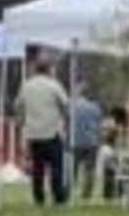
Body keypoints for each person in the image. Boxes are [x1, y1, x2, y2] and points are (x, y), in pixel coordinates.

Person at [17, 47, 71, 207]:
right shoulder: (54, 85)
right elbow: (65, 105)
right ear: (49, 70)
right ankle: (58, 196)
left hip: (33, 133)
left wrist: (24, 121)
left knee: (38, 169)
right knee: (56, 168)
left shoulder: (26, 86)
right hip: (52, 132)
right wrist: (63, 120)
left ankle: (38, 197)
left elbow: (18, 106)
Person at [67, 82, 107, 203]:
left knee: (72, 169)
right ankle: (86, 194)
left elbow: (66, 122)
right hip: (91, 142)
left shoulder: (71, 106)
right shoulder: (95, 107)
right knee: (89, 169)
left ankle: (68, 191)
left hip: (75, 141)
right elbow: (99, 125)